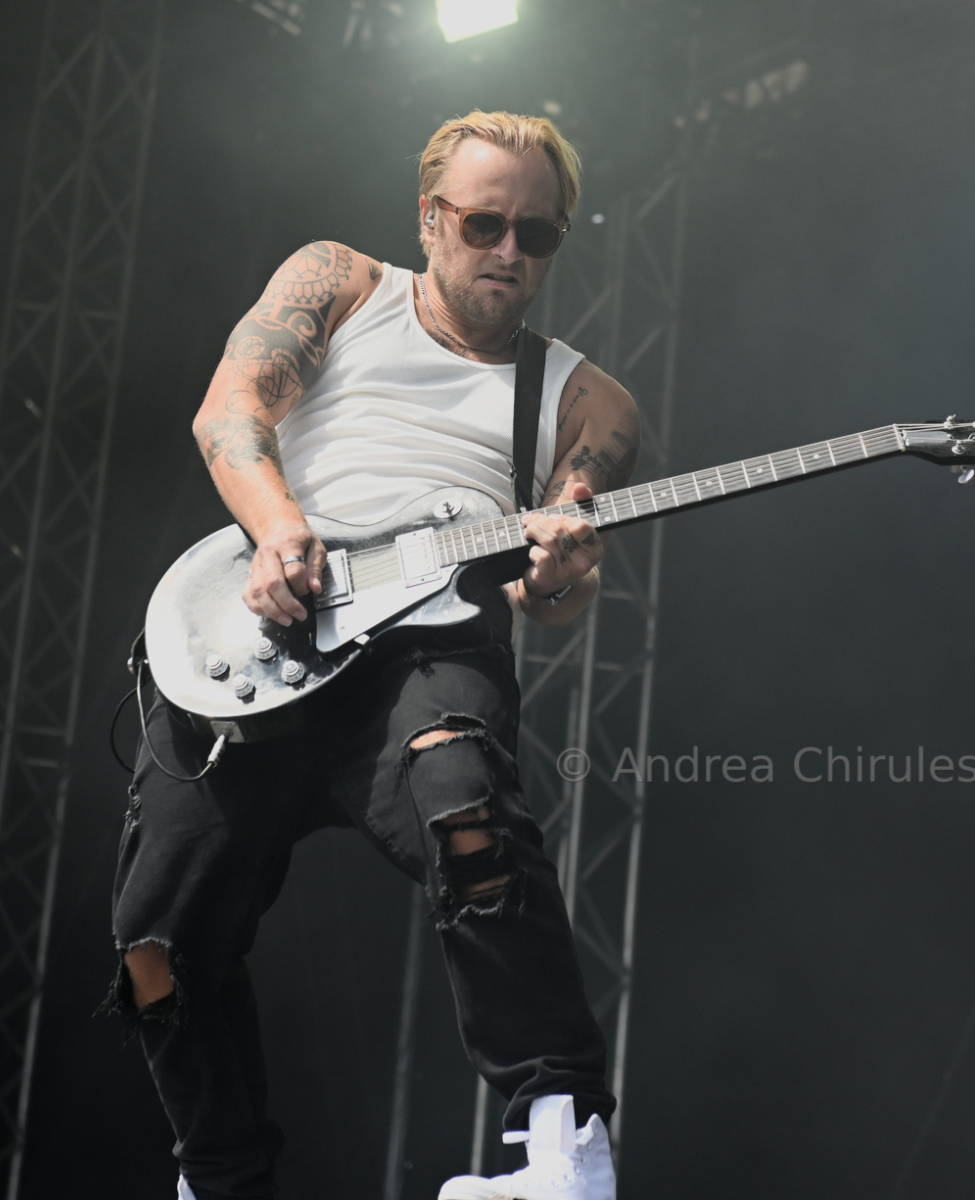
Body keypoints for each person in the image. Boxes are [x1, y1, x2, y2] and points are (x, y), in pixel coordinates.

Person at [111, 110, 639, 1200]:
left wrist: (561, 572)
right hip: (267, 633)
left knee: (464, 807)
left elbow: (550, 596)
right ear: (429, 217)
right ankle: (220, 1179)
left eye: (537, 235)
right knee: (153, 946)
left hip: (430, 649)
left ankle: (562, 1143)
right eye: (484, 224)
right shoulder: (341, 282)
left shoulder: (587, 399)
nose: (509, 252)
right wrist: (276, 528)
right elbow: (230, 411)